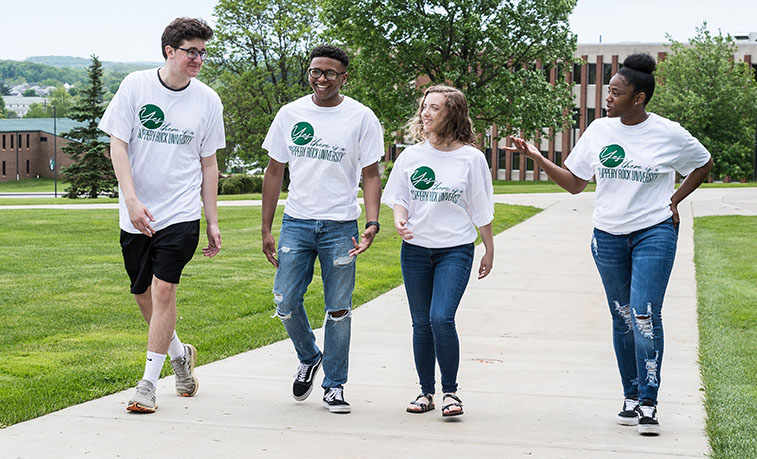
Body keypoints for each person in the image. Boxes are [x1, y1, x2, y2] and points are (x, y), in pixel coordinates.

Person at [507, 53, 713, 435]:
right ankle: (630, 396)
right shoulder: (599, 132)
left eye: (616, 93)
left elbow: (703, 163)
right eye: (608, 91)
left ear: (639, 98)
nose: (608, 98)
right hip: (608, 236)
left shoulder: (669, 132)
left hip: (654, 232)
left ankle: (650, 402)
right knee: (622, 318)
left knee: (644, 315)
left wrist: (674, 199)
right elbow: (574, 183)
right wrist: (537, 157)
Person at [98, 17, 225, 413]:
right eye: (191, 51)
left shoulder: (208, 100)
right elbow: (117, 146)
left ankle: (148, 386)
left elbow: (209, 165)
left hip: (181, 212)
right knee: (142, 295)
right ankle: (180, 355)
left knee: (164, 289)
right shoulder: (135, 86)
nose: (198, 59)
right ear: (169, 51)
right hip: (136, 213)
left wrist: (213, 220)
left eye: (203, 52)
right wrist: (131, 201)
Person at [260, 45, 383, 414]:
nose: (321, 78)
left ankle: (334, 385)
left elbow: (371, 174)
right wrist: (266, 228)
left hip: (340, 225)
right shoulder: (290, 113)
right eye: (315, 71)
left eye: (330, 73)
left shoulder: (361, 117)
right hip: (296, 223)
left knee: (339, 309)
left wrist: (372, 221)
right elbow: (274, 171)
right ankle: (309, 355)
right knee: (284, 300)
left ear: (344, 77)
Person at [382, 85, 495, 417]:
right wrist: (400, 221)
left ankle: (451, 393)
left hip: (455, 250)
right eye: (424, 107)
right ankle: (425, 392)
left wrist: (488, 249)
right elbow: (400, 198)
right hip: (415, 250)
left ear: (453, 113)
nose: (425, 113)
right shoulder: (411, 155)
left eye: (434, 108)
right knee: (421, 323)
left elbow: (481, 208)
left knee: (440, 318)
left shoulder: (471, 159)